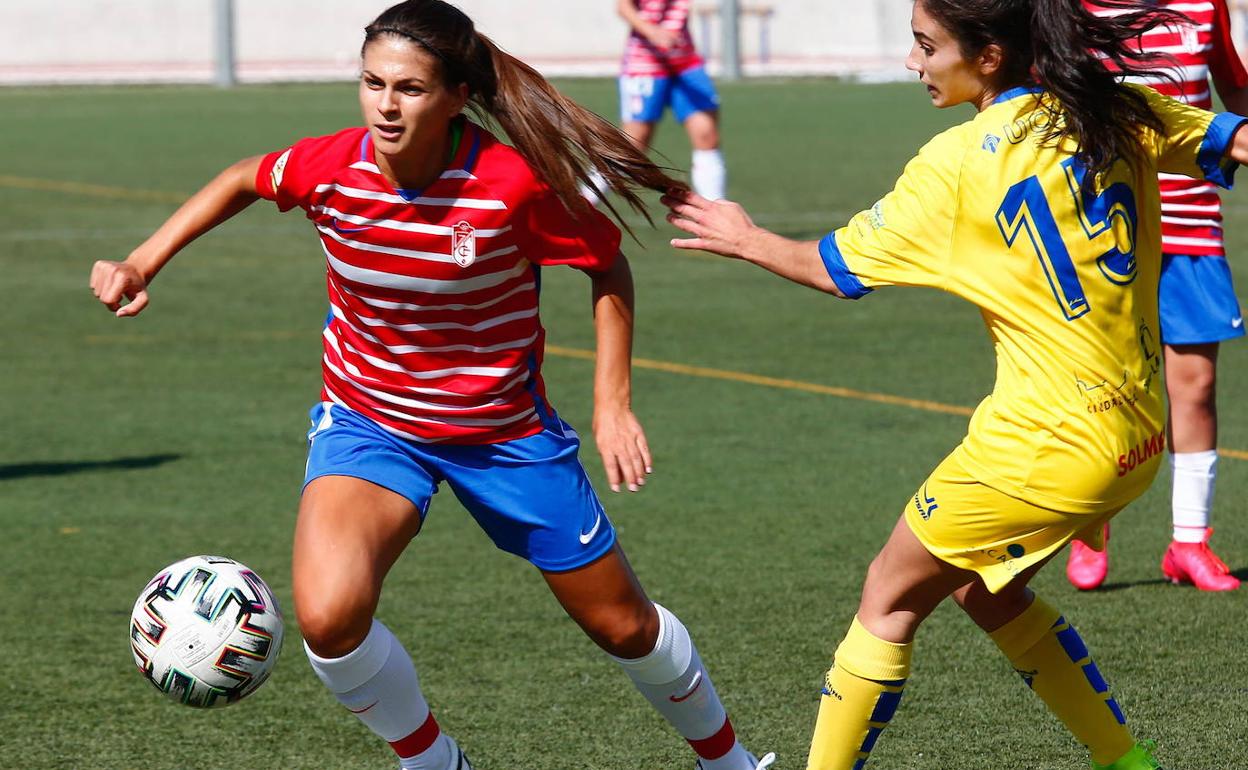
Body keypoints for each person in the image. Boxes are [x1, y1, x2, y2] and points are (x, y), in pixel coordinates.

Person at [89, 2, 774, 769]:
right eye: (372, 83)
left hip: (504, 435)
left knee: (623, 628)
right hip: (370, 423)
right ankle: (434, 761)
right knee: (329, 618)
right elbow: (244, 178)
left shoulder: (509, 186)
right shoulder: (330, 168)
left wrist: (613, 404)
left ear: (454, 95)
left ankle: (730, 761)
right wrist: (142, 261)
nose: (385, 103)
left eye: (409, 88)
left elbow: (605, 264)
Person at [663, 0, 1248, 767]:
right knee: (987, 590)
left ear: (991, 54)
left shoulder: (958, 162)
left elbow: (832, 270)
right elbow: (1234, 136)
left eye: (925, 45)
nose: (914, 62)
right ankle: (1129, 762)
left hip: (1045, 446)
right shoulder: (1112, 105)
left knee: (888, 596)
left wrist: (745, 239)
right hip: (1138, 434)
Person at [1067, 0, 1244, 592]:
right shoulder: (1070, 8)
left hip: (1191, 222)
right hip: (1102, 227)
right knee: (1104, 387)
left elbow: (1235, 89)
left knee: (1194, 386)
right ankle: (1091, 530)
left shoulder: (1204, 4)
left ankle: (1190, 543)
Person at [584, 0, 727, 205]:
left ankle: (716, 211)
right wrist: (651, 31)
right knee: (634, 143)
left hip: (684, 60)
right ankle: (583, 201)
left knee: (707, 133)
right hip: (645, 62)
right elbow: (624, 6)